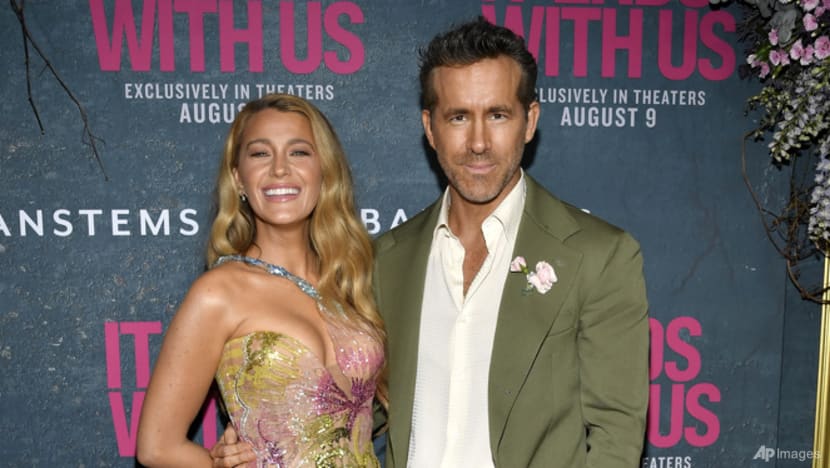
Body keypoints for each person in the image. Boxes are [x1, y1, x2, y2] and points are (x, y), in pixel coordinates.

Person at [213, 16, 649, 468]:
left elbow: (616, 437)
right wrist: (260, 438)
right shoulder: (385, 259)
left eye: (497, 115)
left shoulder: (598, 256)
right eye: (458, 117)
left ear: (529, 121)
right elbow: (351, 407)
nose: (478, 142)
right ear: (430, 127)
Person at [136, 93, 387, 467]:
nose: (280, 169)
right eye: (260, 154)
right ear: (238, 178)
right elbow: (157, 446)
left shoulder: (350, 282)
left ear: (324, 171)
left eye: (299, 152)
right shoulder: (219, 292)